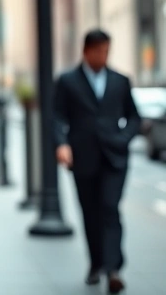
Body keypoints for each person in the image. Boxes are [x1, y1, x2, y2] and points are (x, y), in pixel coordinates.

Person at [54, 30, 141, 293]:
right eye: (99, 51)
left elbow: (134, 117)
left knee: (109, 208)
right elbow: (57, 117)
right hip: (82, 158)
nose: (103, 56)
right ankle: (96, 264)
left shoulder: (120, 81)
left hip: (114, 158)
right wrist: (62, 144)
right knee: (90, 213)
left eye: (107, 50)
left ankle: (113, 269)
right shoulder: (67, 81)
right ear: (86, 51)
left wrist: (123, 138)